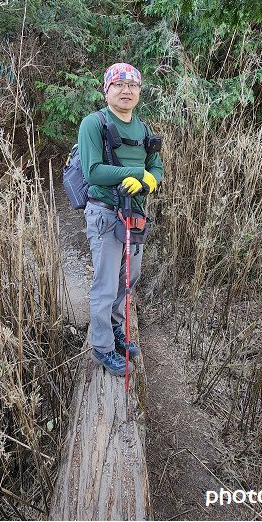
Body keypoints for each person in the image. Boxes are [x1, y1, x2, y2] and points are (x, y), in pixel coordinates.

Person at [78, 63, 163, 376]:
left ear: (139, 92)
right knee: (105, 283)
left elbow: (156, 167)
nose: (126, 91)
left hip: (134, 212)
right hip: (105, 211)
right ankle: (101, 349)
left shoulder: (142, 128)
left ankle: (115, 330)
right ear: (107, 90)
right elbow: (93, 171)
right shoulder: (94, 124)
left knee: (128, 279)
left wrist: (148, 181)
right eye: (119, 85)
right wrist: (133, 174)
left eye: (133, 86)